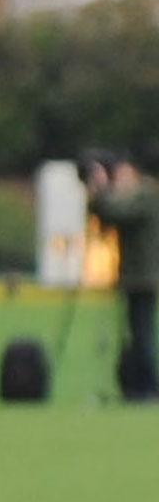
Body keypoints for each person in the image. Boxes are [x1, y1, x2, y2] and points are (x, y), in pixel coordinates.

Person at [86, 150, 158, 401]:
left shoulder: (146, 195)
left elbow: (117, 212)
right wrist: (97, 194)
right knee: (135, 332)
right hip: (134, 276)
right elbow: (107, 217)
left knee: (142, 334)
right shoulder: (140, 195)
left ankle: (148, 387)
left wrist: (102, 189)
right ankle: (137, 385)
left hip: (144, 277)